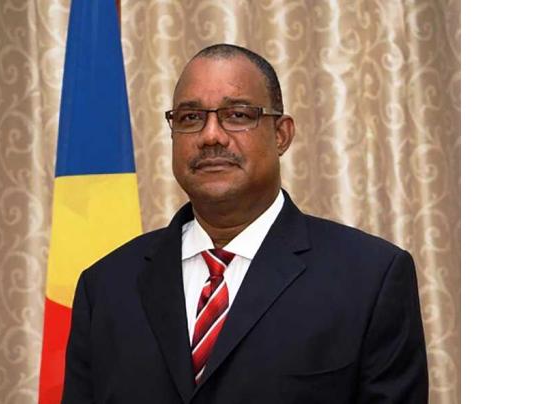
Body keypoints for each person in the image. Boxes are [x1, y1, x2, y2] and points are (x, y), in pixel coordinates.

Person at [62, 43, 428, 403]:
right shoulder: (106, 286)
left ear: (281, 134)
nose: (210, 136)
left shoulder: (370, 279)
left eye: (237, 115)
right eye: (190, 118)